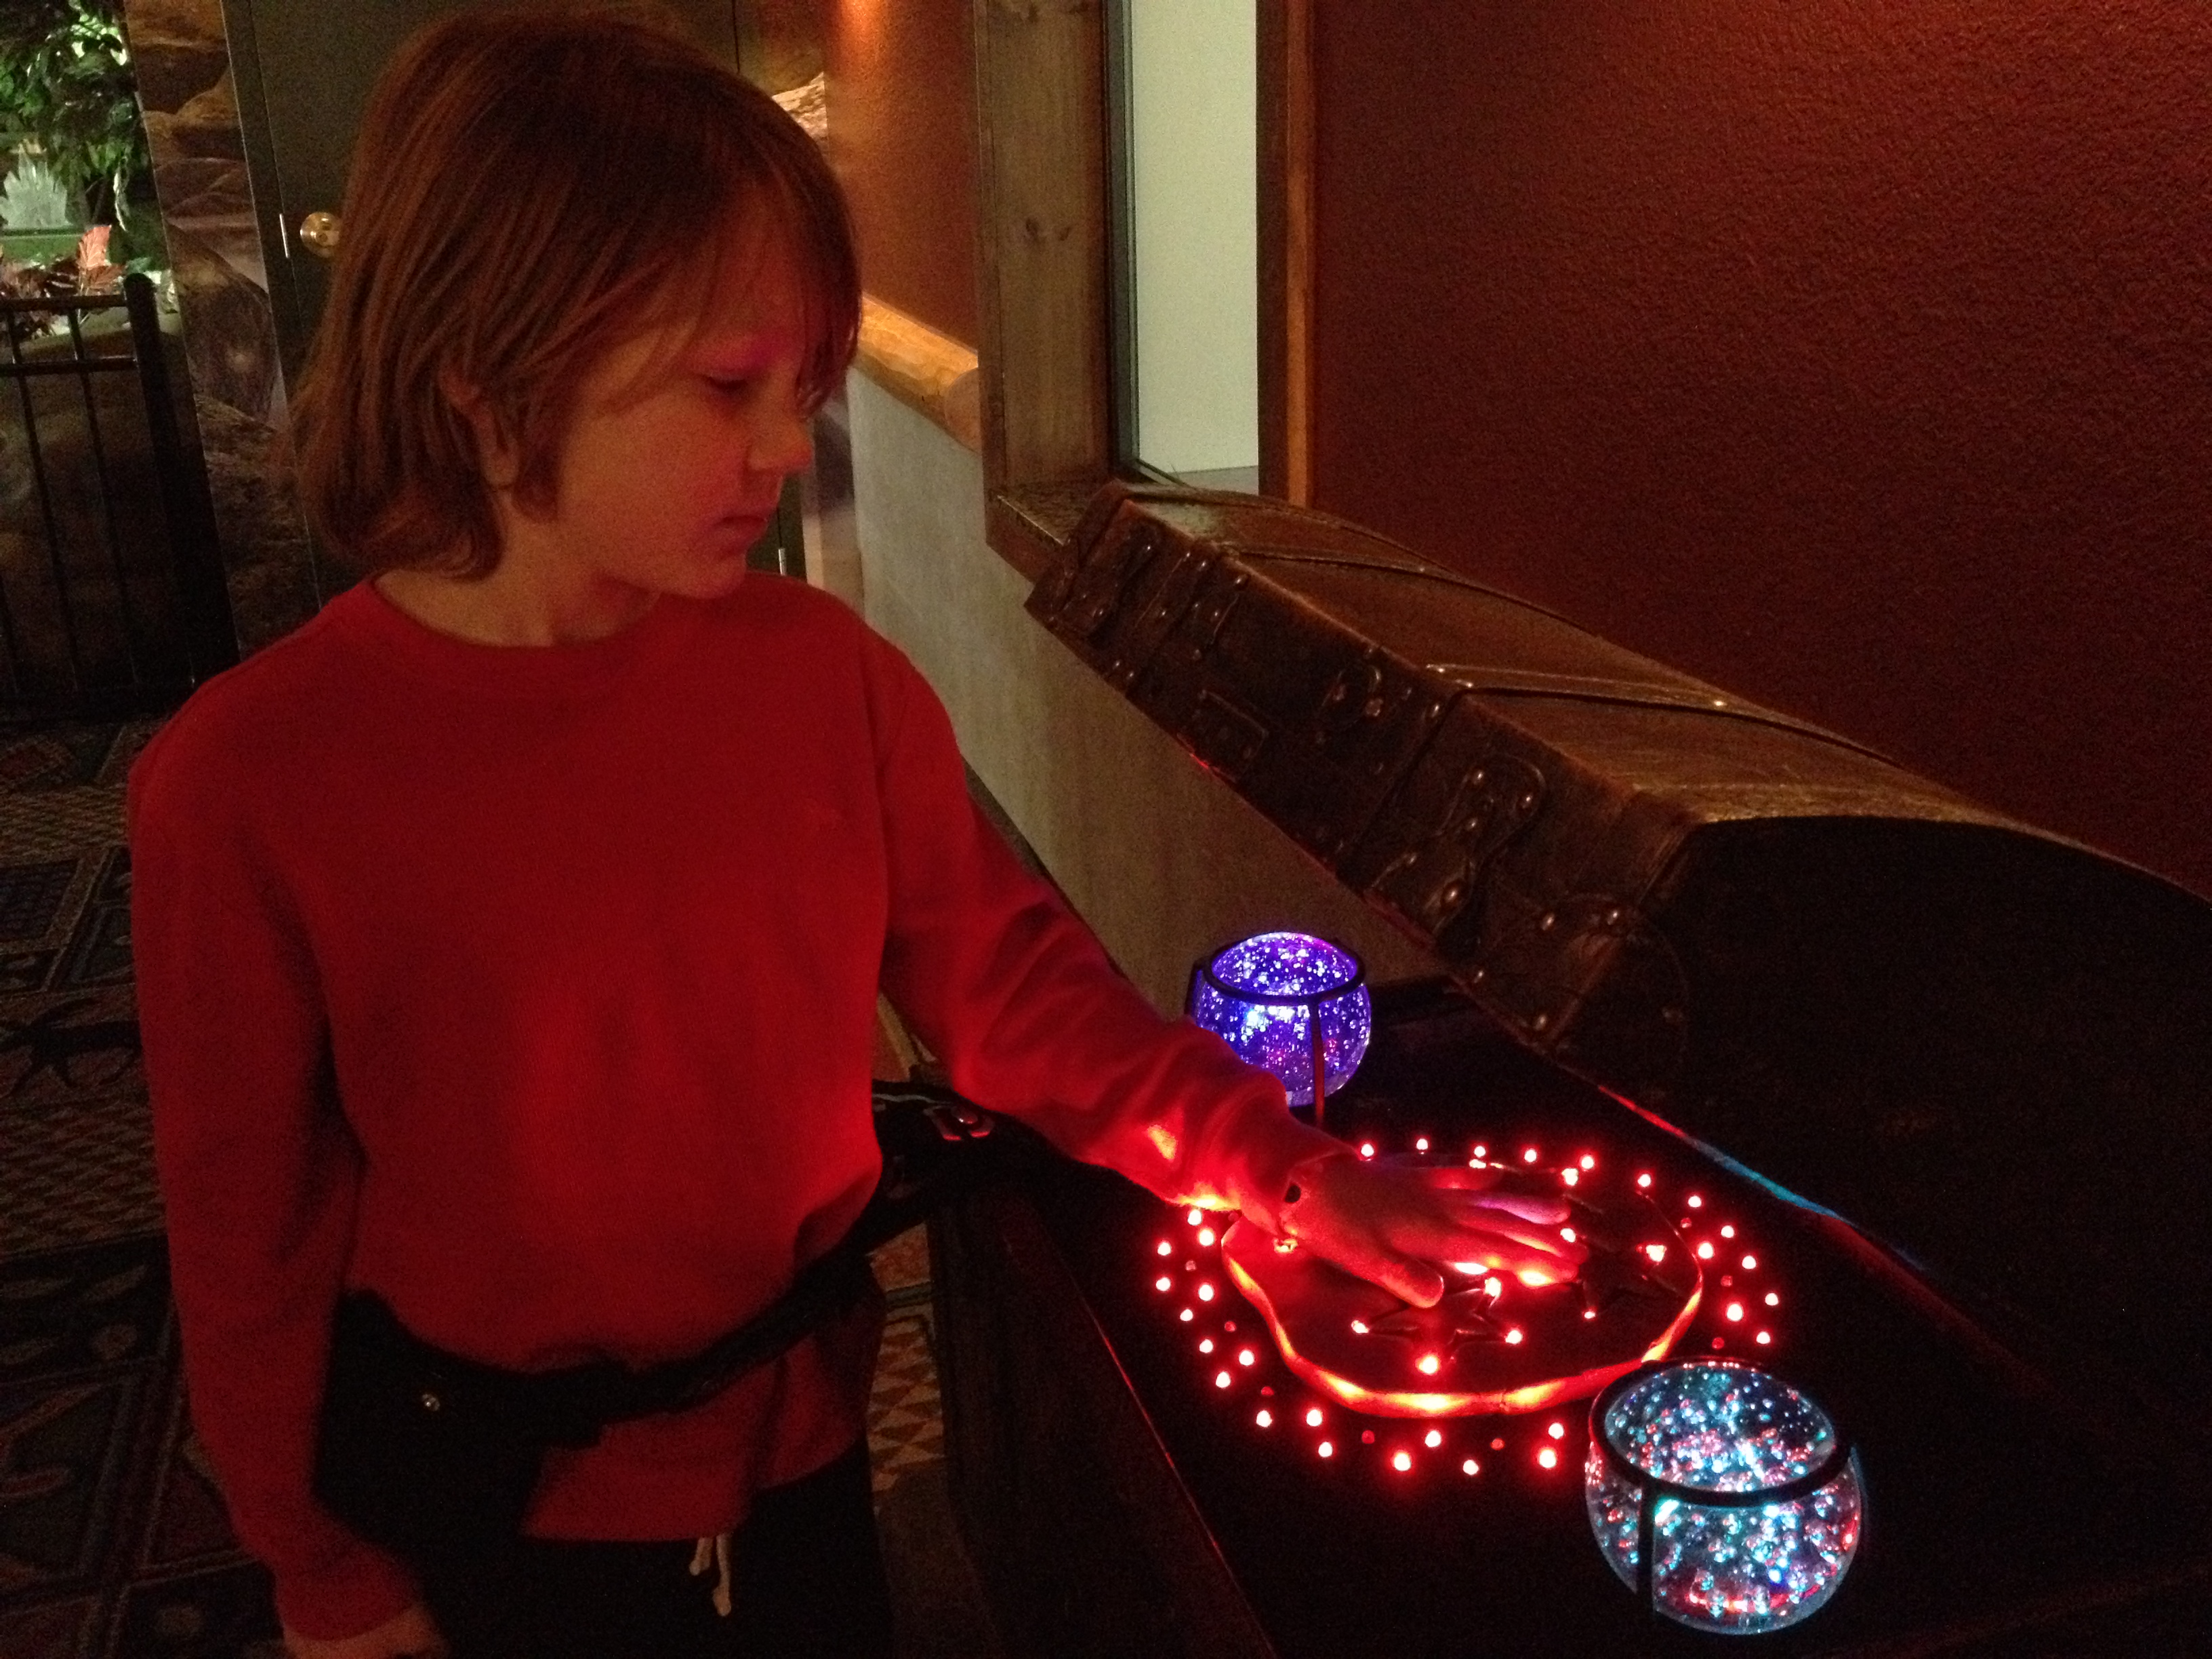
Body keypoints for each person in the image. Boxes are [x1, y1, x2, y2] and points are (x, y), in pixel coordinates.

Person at [126, 7, 1582, 1657]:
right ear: (486, 377)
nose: (783, 448)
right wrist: (325, 1576)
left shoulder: (825, 678)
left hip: (804, 1437)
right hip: (492, 1517)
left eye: (805, 385)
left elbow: (1016, 997)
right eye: (725, 385)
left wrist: (1288, 1174)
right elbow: (249, 1237)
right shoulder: (248, 781)